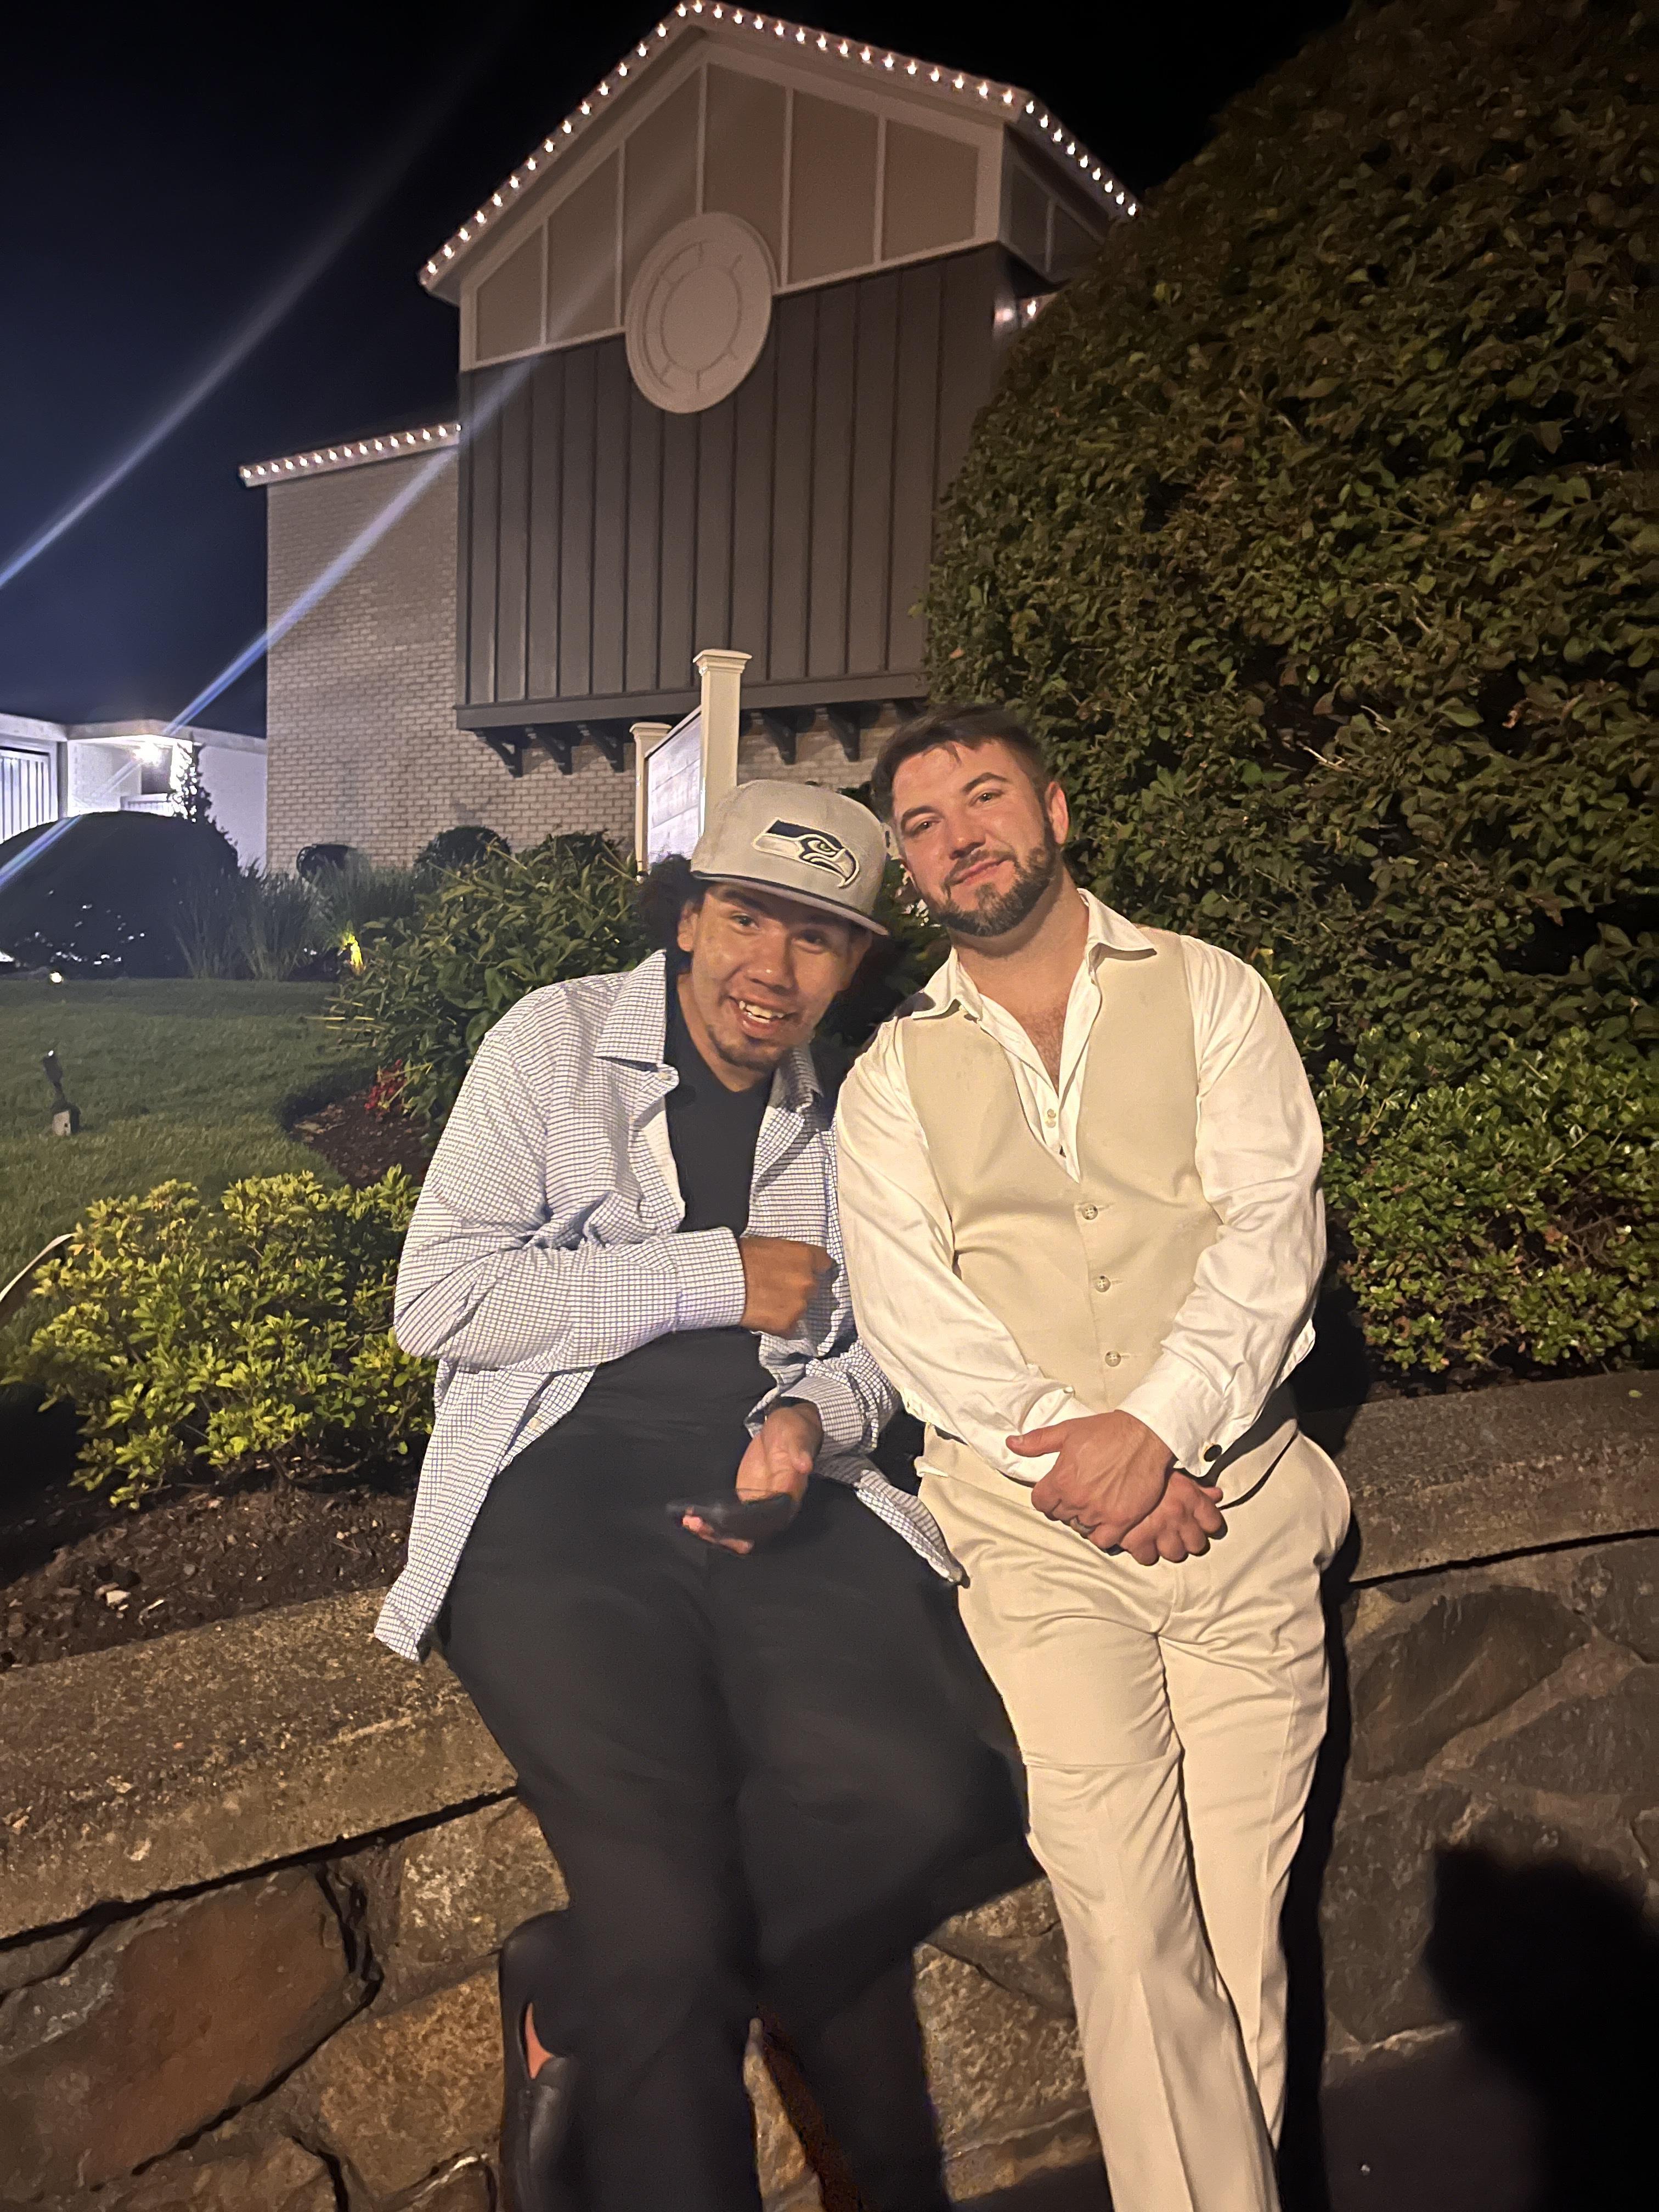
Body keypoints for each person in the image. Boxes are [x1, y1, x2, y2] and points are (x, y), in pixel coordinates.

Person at [376, 780, 1028, 2212]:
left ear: (854, 964)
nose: (771, 969)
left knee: (941, 1792)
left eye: (819, 940)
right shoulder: (552, 1046)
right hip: (556, 1511)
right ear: (689, 918)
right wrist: (708, 1272)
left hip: (773, 1504)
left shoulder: (853, 1112)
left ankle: (588, 1999)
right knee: (663, 1921)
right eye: (746, 918)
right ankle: (644, 1977)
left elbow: (877, 1355)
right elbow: (440, 1300)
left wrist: (808, 1413)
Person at [835, 707, 1352, 2212]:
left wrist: (1166, 1426)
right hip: (1041, 1543)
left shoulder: (1212, 994)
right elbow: (919, 1321)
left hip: (1244, 1514)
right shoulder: (894, 1074)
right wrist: (1104, 1470)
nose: (956, 836)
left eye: (982, 799)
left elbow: (1273, 1233)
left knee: (1238, 1943)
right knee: (1129, 1929)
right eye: (923, 825)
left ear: (1056, 810)